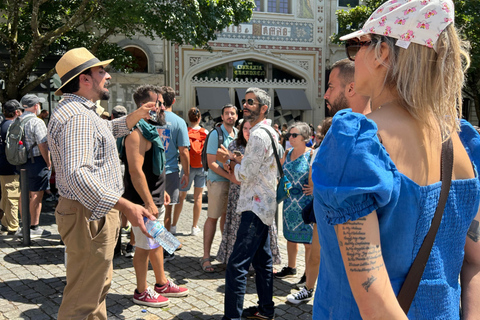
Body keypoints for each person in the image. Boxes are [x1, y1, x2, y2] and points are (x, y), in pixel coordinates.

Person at [312, 1, 480, 319]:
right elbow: (475, 262)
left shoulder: (357, 141)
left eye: (356, 46)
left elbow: (374, 303)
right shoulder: (464, 143)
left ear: (384, 53)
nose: (354, 57)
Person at [48, 47, 156, 319]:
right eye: (101, 71)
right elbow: (77, 174)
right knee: (84, 299)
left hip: (88, 212)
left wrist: (136, 115)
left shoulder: (80, 112)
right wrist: (126, 205)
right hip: (89, 214)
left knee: (95, 289)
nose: (107, 76)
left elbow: (105, 131)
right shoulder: (78, 117)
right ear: (85, 79)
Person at [124, 84, 188, 307]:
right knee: (143, 247)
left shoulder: (150, 129)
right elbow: (135, 171)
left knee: (157, 242)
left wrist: (161, 194)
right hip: (143, 203)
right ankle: (141, 291)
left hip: (154, 198)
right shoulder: (136, 132)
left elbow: (152, 166)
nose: (163, 108)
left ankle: (161, 282)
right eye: (158, 103)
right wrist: (150, 201)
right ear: (145, 106)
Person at [222, 87, 278, 320]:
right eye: (245, 101)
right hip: (264, 205)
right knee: (263, 261)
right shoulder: (272, 132)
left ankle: (231, 317)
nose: (246, 105)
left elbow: (246, 173)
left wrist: (231, 163)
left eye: (252, 102)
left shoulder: (257, 134)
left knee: (237, 266)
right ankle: (266, 310)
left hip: (255, 206)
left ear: (263, 108)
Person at [216, 120, 282, 266]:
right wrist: (230, 163)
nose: (248, 131)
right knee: (239, 231)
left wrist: (234, 161)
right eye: (245, 128)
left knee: (258, 233)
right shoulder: (234, 145)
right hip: (238, 195)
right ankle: (242, 264)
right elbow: (232, 173)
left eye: (250, 128)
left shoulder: (261, 142)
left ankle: (252, 265)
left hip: (259, 197)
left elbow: (251, 173)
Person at [200, 104, 238, 272]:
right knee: (213, 217)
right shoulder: (216, 134)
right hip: (218, 181)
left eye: (233, 113)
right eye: (227, 113)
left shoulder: (238, 134)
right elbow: (211, 163)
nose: (230, 116)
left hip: (232, 182)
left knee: (227, 218)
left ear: (237, 116)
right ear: (222, 117)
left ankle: (226, 254)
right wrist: (229, 175)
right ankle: (206, 257)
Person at [274, 122, 313, 285]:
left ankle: (308, 273)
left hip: (305, 204)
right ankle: (291, 267)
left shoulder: (311, 154)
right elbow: (279, 174)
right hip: (290, 203)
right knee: (290, 236)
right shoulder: (288, 152)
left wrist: (314, 188)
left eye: (294, 135)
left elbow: (318, 177)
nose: (290, 137)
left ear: (305, 138)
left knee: (308, 242)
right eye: (289, 134)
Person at [156, 86, 190, 255]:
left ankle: (136, 244)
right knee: (167, 209)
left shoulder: (150, 118)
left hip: (151, 170)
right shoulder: (179, 122)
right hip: (170, 171)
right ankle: (164, 247)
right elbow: (184, 151)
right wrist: (187, 172)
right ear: (174, 101)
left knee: (147, 208)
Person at [16, 94, 52, 239]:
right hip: (36, 161)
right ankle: (34, 226)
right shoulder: (37, 122)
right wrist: (48, 162)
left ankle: (24, 224)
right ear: (36, 106)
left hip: (20, 160)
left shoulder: (18, 120)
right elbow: (42, 144)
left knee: (23, 192)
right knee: (37, 193)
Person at [175, 107, 207, 237]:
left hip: (187, 167)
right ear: (199, 118)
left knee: (181, 197)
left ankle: (173, 225)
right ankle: (194, 227)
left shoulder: (185, 131)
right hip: (201, 167)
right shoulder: (206, 132)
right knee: (198, 197)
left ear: (188, 118)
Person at [0, 100, 22, 235]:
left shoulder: (2, 125)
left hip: (2, 165)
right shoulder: (13, 127)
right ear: (16, 112)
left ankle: (4, 222)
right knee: (12, 196)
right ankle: (13, 226)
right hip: (10, 166)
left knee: (4, 196)